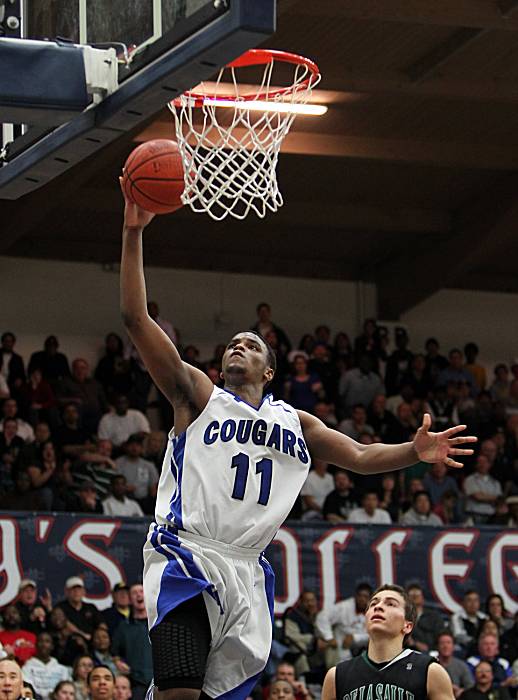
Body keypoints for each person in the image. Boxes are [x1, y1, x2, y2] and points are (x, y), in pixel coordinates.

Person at [119, 191, 476, 700]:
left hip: (248, 570)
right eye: (231, 344)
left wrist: (412, 452)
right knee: (180, 691)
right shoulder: (197, 396)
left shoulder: (296, 422)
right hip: (187, 554)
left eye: (252, 344)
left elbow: (358, 456)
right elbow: (136, 320)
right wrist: (133, 232)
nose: (238, 345)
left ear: (269, 370)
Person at [321, 584, 454, 700]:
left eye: (390, 604)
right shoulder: (337, 676)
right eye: (373, 604)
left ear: (407, 626)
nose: (378, 607)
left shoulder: (430, 671)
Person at [316, 583, 372, 666]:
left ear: (370, 599)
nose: (362, 599)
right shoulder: (344, 607)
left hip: (364, 649)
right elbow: (322, 617)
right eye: (360, 596)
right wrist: (329, 637)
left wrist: (354, 637)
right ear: (355, 596)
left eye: (365, 597)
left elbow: (374, 634)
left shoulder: (373, 610)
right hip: (341, 646)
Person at [22, 632, 70, 700]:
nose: (44, 644)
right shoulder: (26, 668)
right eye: (41, 641)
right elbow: (28, 690)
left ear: (52, 646)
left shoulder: (62, 670)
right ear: (35, 645)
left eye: (47, 641)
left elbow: (67, 690)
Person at [405, 584, 446, 652]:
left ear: (423, 598)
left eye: (417, 595)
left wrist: (430, 648)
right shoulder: (402, 617)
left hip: (432, 652)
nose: (415, 597)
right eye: (412, 595)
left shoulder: (434, 616)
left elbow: (441, 636)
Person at [431, 631, 473, 698]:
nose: (445, 646)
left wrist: (461, 691)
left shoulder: (462, 665)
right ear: (437, 646)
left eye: (448, 643)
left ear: (453, 646)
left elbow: (471, 687)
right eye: (442, 643)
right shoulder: (431, 665)